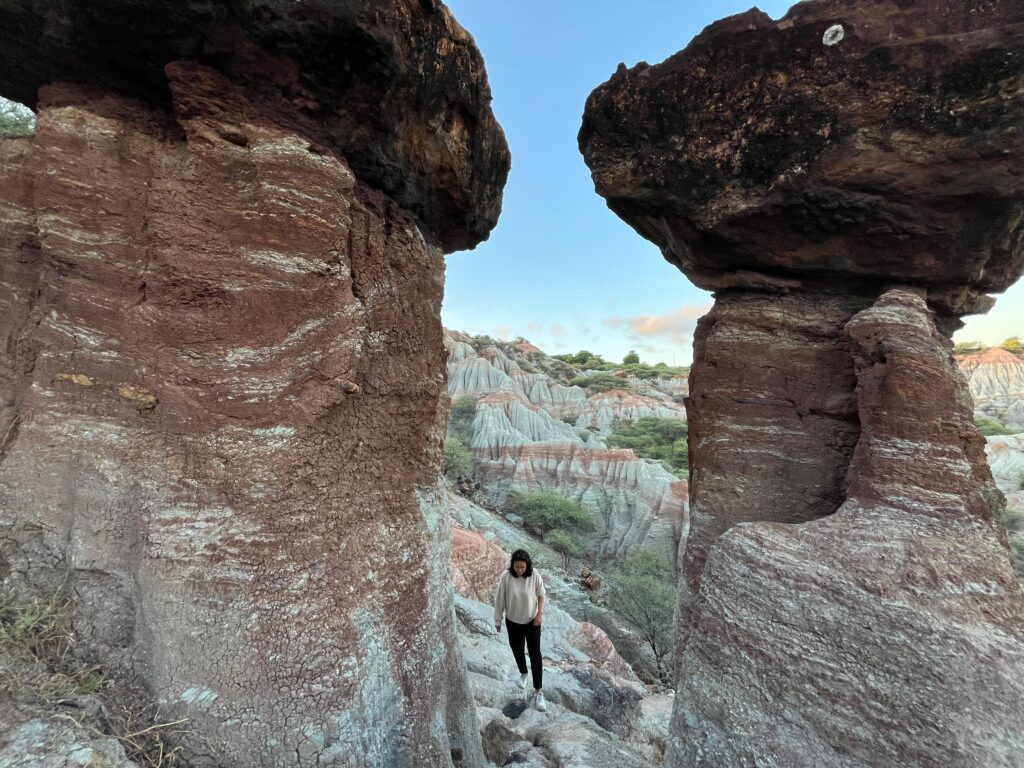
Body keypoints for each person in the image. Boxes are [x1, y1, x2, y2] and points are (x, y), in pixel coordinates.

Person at [493, 548, 547, 711]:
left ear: (528, 565)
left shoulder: (534, 575)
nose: (520, 570)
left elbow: (541, 594)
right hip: (513, 621)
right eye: (517, 567)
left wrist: (539, 614)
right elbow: (500, 599)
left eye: (522, 567)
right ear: (513, 565)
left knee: (535, 654)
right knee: (517, 650)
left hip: (532, 621)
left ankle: (538, 691)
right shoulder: (506, 577)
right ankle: (524, 673)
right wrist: (498, 619)